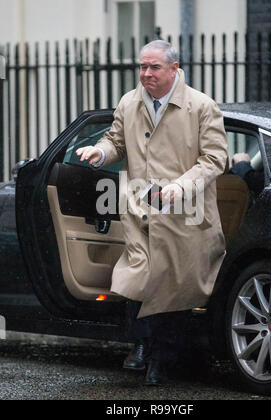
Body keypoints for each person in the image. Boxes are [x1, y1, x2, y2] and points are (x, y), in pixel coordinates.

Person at [76, 40, 228, 386]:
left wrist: (180, 187)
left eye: (154, 67)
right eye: (142, 67)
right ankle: (144, 346)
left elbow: (215, 159)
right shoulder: (129, 102)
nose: (145, 74)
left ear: (174, 68)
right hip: (139, 210)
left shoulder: (201, 106)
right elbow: (115, 142)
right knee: (135, 278)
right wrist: (99, 153)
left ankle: (159, 360)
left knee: (172, 288)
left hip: (185, 214)